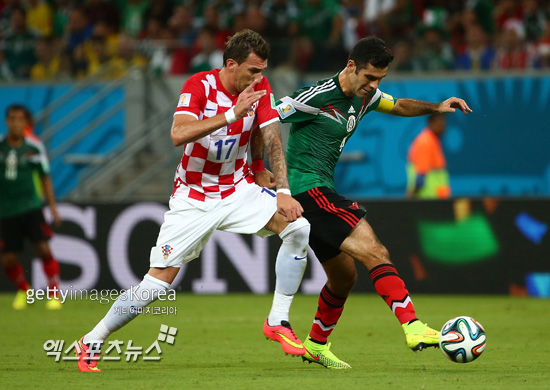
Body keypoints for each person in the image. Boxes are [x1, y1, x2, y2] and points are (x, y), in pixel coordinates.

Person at [75, 29, 311, 373]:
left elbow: (269, 134)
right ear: (231, 65)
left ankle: (278, 320)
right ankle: (91, 340)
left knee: (299, 228)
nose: (259, 78)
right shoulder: (198, 86)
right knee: (156, 285)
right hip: (194, 198)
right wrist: (232, 114)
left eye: (262, 70)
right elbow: (178, 134)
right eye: (253, 70)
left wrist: (275, 183)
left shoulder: (260, 88)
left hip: (237, 188)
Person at [268, 36, 472, 369]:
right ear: (351, 67)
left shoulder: (367, 96)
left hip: (320, 193)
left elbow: (400, 105)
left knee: (344, 278)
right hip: (308, 191)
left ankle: (316, 345)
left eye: (380, 79)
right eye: (369, 77)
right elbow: (267, 120)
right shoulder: (316, 96)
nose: (374, 85)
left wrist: (436, 107)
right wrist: (261, 170)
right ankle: (413, 325)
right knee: (375, 252)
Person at [0, 104, 63, 310]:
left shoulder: (34, 147)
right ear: (7, 121)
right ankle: (24, 290)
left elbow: (45, 177)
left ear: (26, 123)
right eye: (12, 118)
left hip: (31, 207)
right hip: (6, 210)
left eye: (20, 119)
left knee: (43, 249)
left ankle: (54, 292)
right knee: (8, 259)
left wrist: (52, 207)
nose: (15, 123)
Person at [406, 113, 451, 199]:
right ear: (430, 123)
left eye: (444, 125)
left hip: (435, 199)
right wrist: (410, 199)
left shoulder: (432, 140)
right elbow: (420, 177)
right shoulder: (425, 142)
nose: (443, 128)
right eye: (439, 125)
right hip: (428, 200)